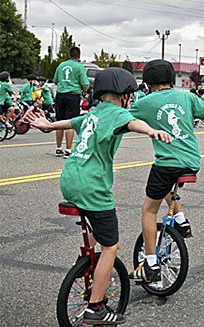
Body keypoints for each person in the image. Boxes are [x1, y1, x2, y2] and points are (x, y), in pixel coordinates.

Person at [27, 68, 171, 325]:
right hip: (92, 187)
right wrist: (150, 131)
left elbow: (72, 122)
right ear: (124, 95)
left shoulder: (94, 114)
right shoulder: (118, 113)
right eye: (131, 94)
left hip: (70, 181)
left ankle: (86, 258)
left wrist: (48, 126)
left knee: (97, 226)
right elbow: (132, 123)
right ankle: (96, 307)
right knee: (112, 247)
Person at [128, 59, 204, 283]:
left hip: (167, 163)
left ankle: (150, 263)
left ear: (148, 82)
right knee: (164, 185)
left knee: (149, 210)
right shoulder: (186, 96)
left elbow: (121, 119)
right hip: (192, 161)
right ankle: (180, 218)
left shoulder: (145, 102)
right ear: (170, 79)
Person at [53, 46, 90, 159]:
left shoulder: (61, 65)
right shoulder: (79, 67)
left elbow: (55, 80)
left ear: (69, 55)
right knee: (70, 123)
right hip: (73, 95)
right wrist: (84, 91)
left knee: (59, 122)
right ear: (79, 56)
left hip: (60, 95)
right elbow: (85, 84)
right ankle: (68, 150)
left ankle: (58, 148)